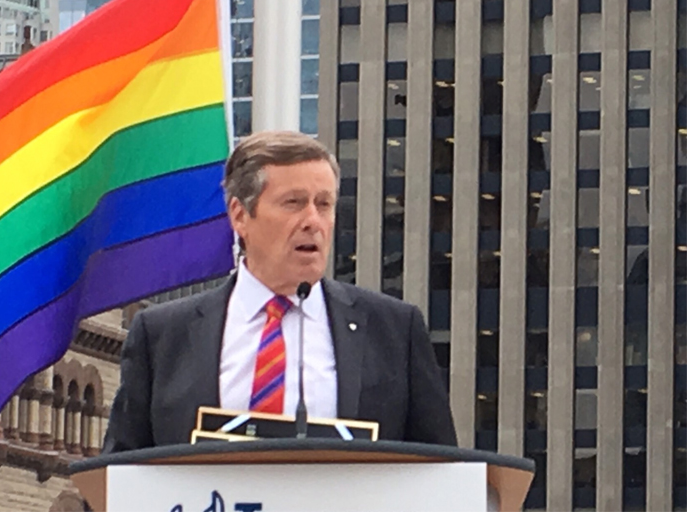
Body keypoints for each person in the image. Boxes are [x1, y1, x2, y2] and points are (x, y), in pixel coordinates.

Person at [102, 131, 457, 453]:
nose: (312, 221)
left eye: (324, 204)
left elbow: (443, 471)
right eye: (293, 203)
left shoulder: (393, 329)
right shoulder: (162, 336)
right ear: (240, 216)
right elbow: (117, 477)